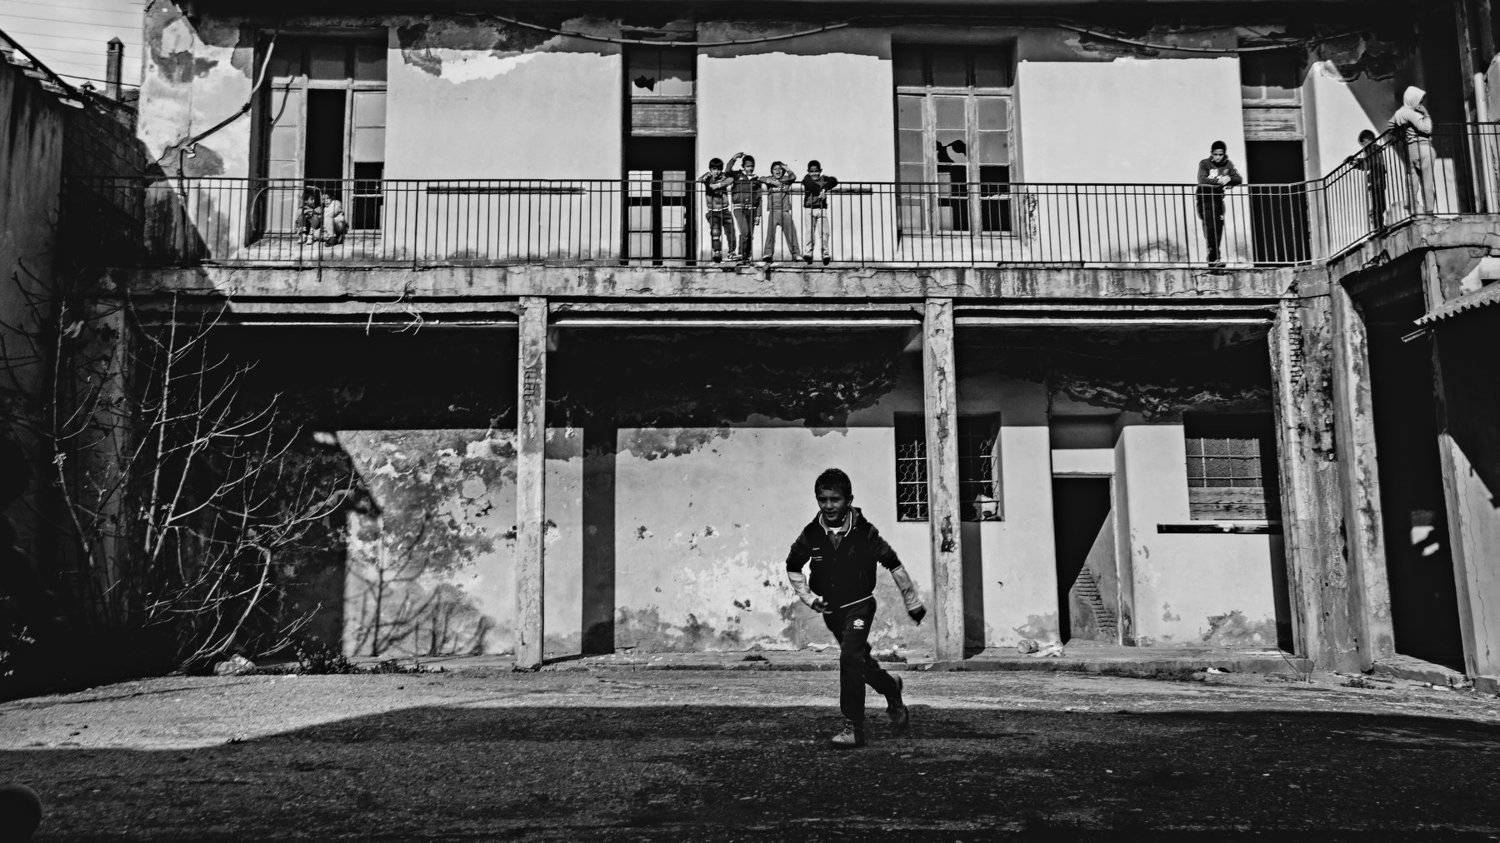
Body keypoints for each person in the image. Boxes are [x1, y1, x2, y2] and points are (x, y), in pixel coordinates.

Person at [785, 468, 926, 748]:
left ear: (849, 500)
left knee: (849, 658)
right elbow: (793, 566)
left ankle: (853, 727)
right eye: (823, 500)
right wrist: (809, 598)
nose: (829, 506)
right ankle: (891, 687)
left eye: (835, 499)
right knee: (859, 662)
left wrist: (912, 601)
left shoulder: (864, 532)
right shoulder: (812, 533)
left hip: (860, 606)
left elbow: (893, 563)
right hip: (832, 612)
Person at [1195, 140, 1242, 268]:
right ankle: (1213, 259)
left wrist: (1230, 179)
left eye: (1220, 154)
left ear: (1224, 154)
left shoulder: (1228, 164)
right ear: (1211, 153)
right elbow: (1202, 179)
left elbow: (1239, 179)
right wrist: (1220, 181)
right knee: (1210, 228)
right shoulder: (1204, 163)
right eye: (1215, 154)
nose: (1218, 157)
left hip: (1217, 199)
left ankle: (1215, 258)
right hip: (1204, 198)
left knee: (1218, 228)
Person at [1389, 86, 1436, 215]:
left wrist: (1400, 135)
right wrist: (1426, 114)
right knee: (1427, 180)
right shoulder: (1412, 113)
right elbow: (1427, 129)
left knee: (1412, 180)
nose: (1420, 104)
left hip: (1410, 149)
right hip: (1423, 147)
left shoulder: (1399, 113)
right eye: (1419, 100)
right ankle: (1429, 210)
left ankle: (1413, 209)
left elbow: (1390, 126)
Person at [725, 152, 764, 263]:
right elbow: (727, 171)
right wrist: (734, 158)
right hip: (739, 208)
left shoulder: (756, 180)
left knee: (750, 235)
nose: (750, 168)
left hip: (752, 209)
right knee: (745, 232)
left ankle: (747, 257)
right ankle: (741, 254)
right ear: (743, 166)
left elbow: (759, 198)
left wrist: (758, 215)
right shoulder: (737, 175)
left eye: (752, 166)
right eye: (747, 166)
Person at [760, 161, 799, 265]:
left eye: (780, 169)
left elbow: (793, 177)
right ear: (772, 171)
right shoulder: (770, 179)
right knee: (770, 234)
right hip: (773, 211)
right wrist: (771, 181)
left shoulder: (786, 179)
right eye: (775, 169)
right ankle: (768, 254)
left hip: (785, 211)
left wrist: (787, 168)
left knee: (791, 233)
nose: (778, 171)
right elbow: (760, 178)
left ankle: (796, 254)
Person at [801, 160, 839, 265]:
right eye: (812, 171)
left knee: (824, 232)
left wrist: (824, 189)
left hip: (822, 209)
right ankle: (808, 253)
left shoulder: (824, 179)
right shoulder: (806, 179)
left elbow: (834, 180)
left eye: (816, 171)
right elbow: (812, 186)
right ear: (808, 172)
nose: (814, 173)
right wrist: (822, 190)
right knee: (809, 232)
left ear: (820, 171)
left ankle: (825, 254)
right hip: (809, 209)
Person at [698, 157, 736, 262]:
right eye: (714, 169)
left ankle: (731, 252)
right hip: (713, 211)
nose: (716, 171)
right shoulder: (708, 177)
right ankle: (717, 251)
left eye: (719, 169)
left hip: (725, 210)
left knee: (731, 232)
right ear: (710, 169)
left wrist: (718, 185)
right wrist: (708, 178)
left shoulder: (723, 177)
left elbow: (731, 179)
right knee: (715, 232)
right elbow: (700, 179)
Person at [1352, 129, 1387, 233]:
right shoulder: (1375, 148)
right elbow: (1369, 164)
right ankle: (1378, 226)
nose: (1362, 147)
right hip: (1378, 180)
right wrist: (1357, 162)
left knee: (1378, 204)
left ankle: (1377, 226)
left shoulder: (1371, 148)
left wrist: (1357, 162)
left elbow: (1369, 164)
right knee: (1379, 204)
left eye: (1363, 143)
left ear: (1367, 140)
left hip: (1377, 179)